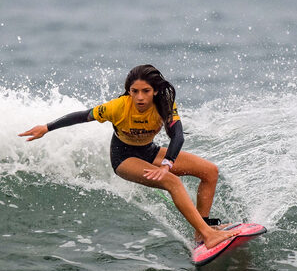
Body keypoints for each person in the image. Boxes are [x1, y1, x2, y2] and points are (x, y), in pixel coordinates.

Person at [19, 65, 237, 250]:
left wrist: (167, 163)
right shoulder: (117, 107)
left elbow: (177, 135)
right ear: (128, 91)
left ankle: (202, 230)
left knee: (210, 171)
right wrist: (46, 128)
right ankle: (208, 235)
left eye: (145, 91)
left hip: (149, 151)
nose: (140, 97)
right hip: (124, 157)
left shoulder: (164, 105)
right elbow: (82, 116)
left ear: (155, 91)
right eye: (134, 91)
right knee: (172, 182)